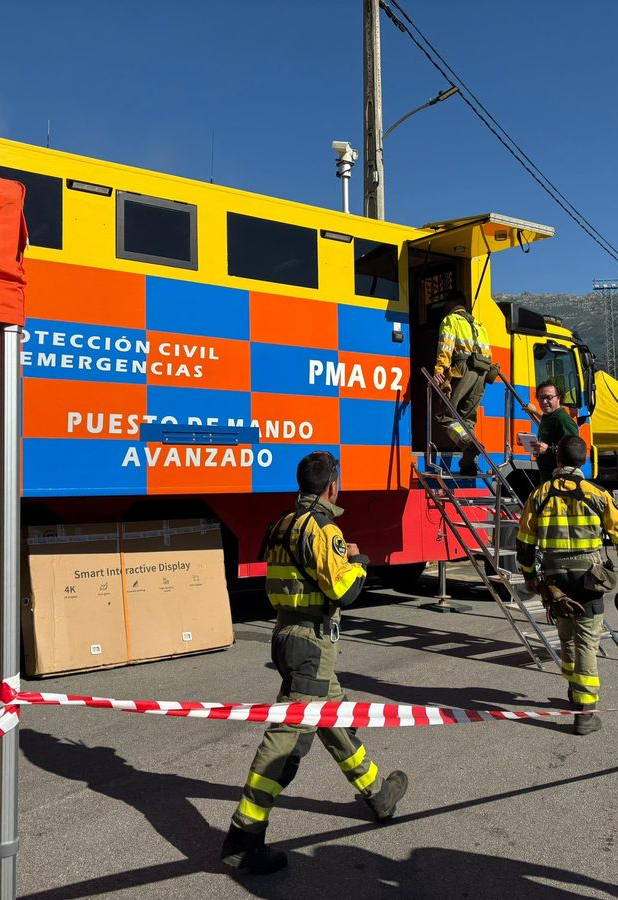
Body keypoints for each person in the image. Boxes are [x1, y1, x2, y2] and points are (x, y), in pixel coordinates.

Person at [221, 451, 408, 874]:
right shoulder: (323, 529)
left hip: (286, 634)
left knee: (334, 718)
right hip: (312, 644)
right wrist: (358, 562)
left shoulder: (282, 523)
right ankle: (244, 834)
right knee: (287, 737)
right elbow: (344, 591)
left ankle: (378, 795)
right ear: (332, 486)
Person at [516, 435, 618, 734]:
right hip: (589, 577)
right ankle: (585, 713)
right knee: (587, 643)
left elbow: (524, 543)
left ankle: (575, 690)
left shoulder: (540, 494)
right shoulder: (597, 493)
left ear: (558, 461)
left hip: (554, 581)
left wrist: (530, 576)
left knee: (567, 637)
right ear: (584, 460)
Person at [431, 289, 495, 475]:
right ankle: (469, 464)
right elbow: (488, 353)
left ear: (451, 304)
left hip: (462, 368)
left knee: (444, 416)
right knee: (467, 419)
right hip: (482, 373)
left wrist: (440, 370)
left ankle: (468, 444)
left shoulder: (451, 320)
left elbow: (446, 345)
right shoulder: (479, 324)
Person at [530, 379, 579, 477]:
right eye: (541, 398)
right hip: (548, 478)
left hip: (560, 481)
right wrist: (533, 411)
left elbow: (574, 449)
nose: (544, 401)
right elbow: (545, 420)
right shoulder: (549, 416)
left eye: (549, 397)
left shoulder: (563, 419)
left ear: (559, 398)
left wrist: (548, 449)